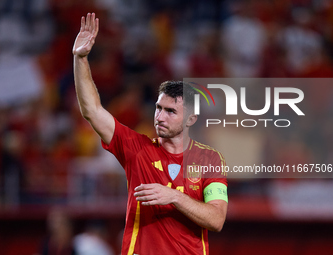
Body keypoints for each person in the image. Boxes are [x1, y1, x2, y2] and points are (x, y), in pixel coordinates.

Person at [72, 13, 228, 255]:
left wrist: (174, 197)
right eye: (158, 108)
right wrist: (80, 58)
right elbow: (92, 110)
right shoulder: (136, 148)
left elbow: (217, 219)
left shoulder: (210, 160)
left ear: (191, 119)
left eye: (170, 111)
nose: (160, 117)